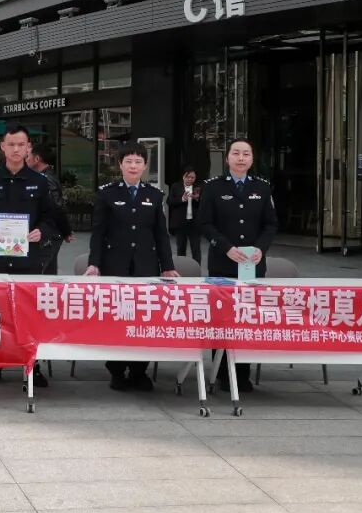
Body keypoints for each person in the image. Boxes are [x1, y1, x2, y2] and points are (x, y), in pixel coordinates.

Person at [84, 143, 178, 391]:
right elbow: (98, 233)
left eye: (138, 161)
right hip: (115, 265)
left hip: (146, 266)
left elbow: (161, 235)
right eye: (128, 161)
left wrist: (167, 266)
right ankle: (116, 371)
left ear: (145, 166)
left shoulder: (154, 195)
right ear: (120, 165)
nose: (133, 166)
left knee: (143, 319)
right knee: (117, 319)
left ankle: (139, 371)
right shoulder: (107, 194)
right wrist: (94, 263)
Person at [0, 124, 57, 386]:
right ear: (3, 147)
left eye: (21, 144)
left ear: (28, 147)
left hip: (30, 258)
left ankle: (32, 366)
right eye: (11, 144)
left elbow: (50, 217)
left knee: (28, 313)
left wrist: (42, 231)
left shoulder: (39, 182)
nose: (16, 149)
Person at [197, 137, 278, 393]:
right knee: (222, 319)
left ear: (252, 159)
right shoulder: (213, 187)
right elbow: (204, 224)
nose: (241, 158)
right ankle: (221, 373)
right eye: (236, 153)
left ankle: (243, 374)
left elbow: (270, 225)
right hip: (223, 263)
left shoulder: (262, 188)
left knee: (247, 319)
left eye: (246, 154)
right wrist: (226, 247)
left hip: (253, 264)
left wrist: (260, 248)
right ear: (227, 158)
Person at [27, 144, 75, 275]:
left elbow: (57, 206)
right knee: (48, 273)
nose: (26, 159)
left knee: (39, 273)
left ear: (37, 159)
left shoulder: (46, 179)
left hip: (49, 235)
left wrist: (66, 231)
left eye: (28, 156)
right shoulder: (42, 177)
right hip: (49, 234)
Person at [167, 166, 202, 265]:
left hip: (194, 223)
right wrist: (182, 199)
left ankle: (197, 270)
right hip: (180, 223)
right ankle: (181, 270)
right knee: (181, 248)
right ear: (183, 176)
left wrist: (197, 199)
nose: (190, 179)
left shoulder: (199, 187)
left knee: (196, 249)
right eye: (188, 177)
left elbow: (205, 204)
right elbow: (169, 201)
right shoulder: (176, 186)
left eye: (192, 177)